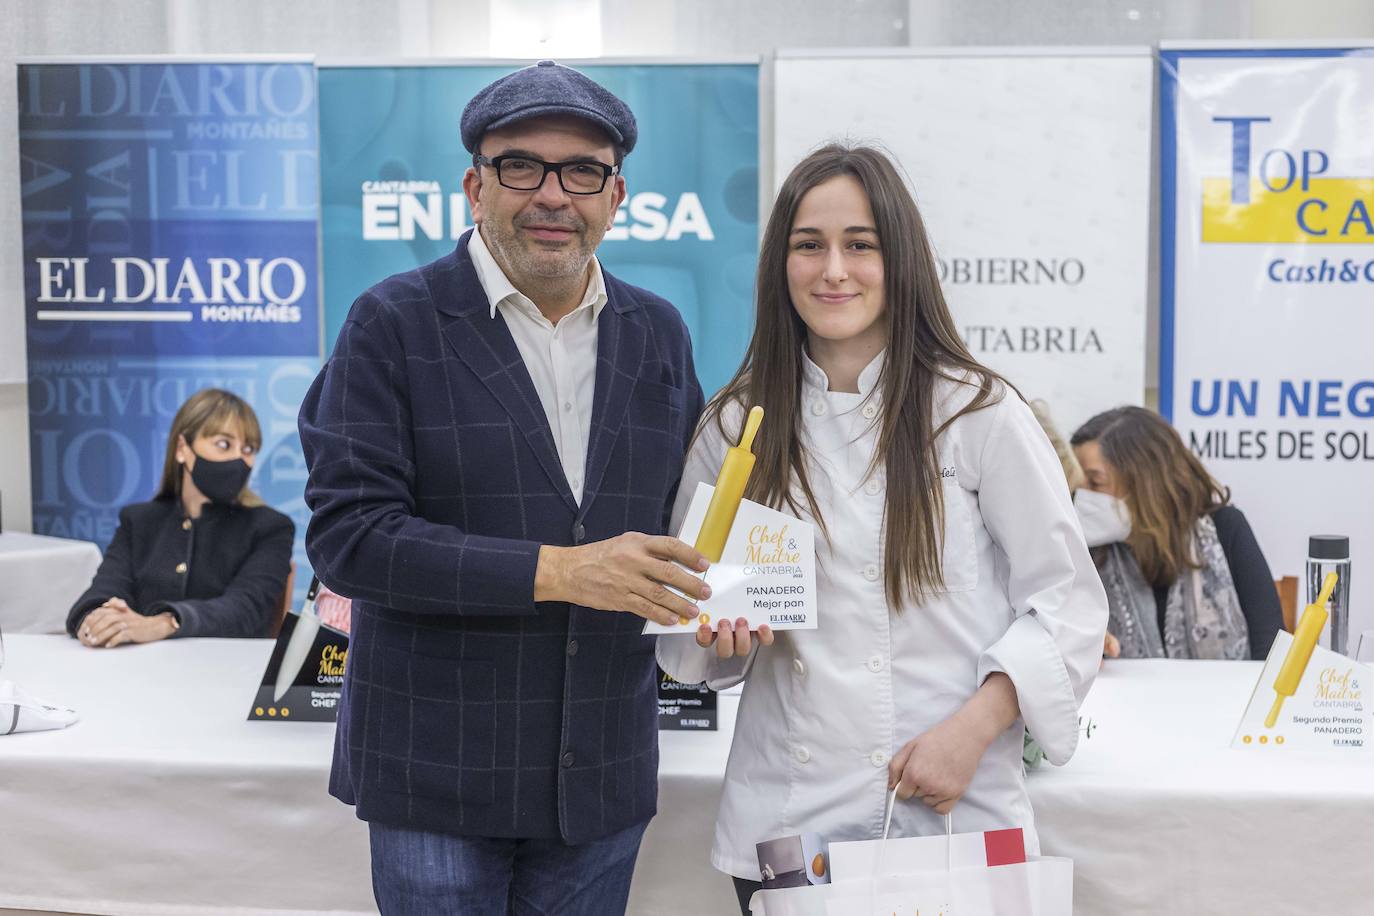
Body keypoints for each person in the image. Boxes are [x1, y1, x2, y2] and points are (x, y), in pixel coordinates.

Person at [297, 61, 708, 916]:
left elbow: (690, 525)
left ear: (616, 194)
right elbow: (352, 541)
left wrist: (731, 612)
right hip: (435, 774)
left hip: (601, 771)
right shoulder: (392, 323)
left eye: (582, 171)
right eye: (521, 166)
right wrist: (558, 572)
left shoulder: (659, 333)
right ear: (474, 188)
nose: (553, 195)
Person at [656, 144, 1107, 914]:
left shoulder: (976, 413)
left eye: (860, 245)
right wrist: (712, 634)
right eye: (809, 246)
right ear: (779, 266)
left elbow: (1068, 605)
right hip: (789, 821)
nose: (834, 270)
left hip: (953, 808)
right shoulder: (737, 424)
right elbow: (687, 632)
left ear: (900, 260)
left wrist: (972, 730)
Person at [66, 388, 293, 646]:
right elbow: (103, 591)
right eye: (224, 444)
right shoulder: (139, 521)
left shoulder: (270, 528)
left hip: (228, 673)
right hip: (140, 673)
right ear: (183, 448)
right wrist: (101, 618)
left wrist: (165, 623)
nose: (239, 459)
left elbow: (244, 610)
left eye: (249, 449)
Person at [1071, 405, 1282, 660]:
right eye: (1078, 484)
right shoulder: (1084, 551)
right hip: (1123, 700)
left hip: (1229, 698)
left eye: (1095, 482)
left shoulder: (1225, 528)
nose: (1082, 498)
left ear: (1145, 483)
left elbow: (1271, 649)